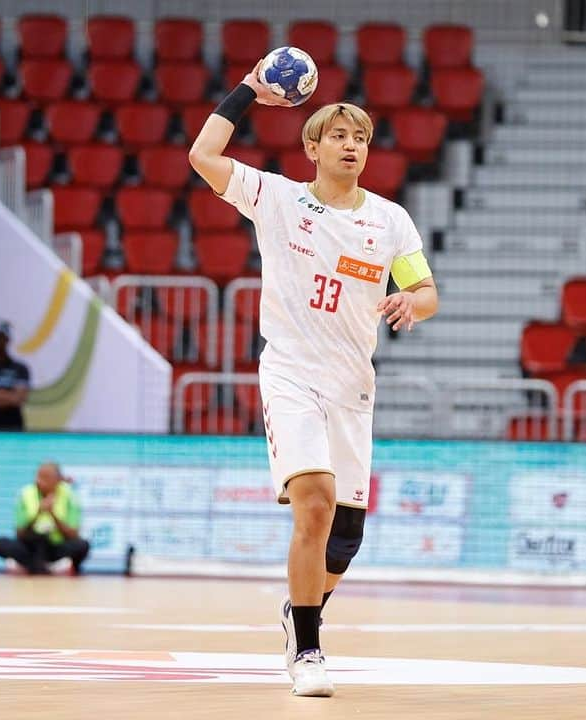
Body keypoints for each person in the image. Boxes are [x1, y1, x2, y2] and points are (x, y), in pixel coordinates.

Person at [189, 61, 438, 697]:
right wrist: (248, 89)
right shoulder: (276, 198)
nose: (353, 146)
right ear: (313, 147)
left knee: (346, 538)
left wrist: (414, 301)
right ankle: (307, 650)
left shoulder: (389, 220)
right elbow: (202, 153)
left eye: (361, 138)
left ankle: (299, 609)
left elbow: (425, 288)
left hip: (353, 386)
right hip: (292, 374)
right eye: (339, 136)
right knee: (316, 501)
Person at [0, 462, 89, 575]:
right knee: (0, 543)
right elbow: (19, 533)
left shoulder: (69, 495)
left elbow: (73, 535)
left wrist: (53, 514)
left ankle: (34, 566)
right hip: (30, 545)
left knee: (82, 545)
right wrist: (39, 512)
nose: (39, 481)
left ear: (57, 479)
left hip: (56, 546)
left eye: (45, 478)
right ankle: (46, 567)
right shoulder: (26, 493)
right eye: (38, 476)